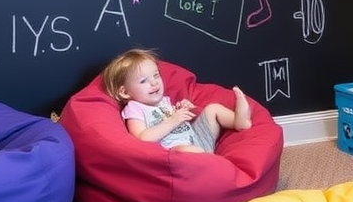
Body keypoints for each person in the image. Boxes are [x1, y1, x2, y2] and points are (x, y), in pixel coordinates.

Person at [102, 48, 251, 153]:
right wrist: (173, 120)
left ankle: (239, 121)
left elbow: (179, 121)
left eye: (156, 75)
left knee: (213, 109)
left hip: (198, 139)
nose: (154, 83)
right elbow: (143, 138)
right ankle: (215, 166)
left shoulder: (164, 101)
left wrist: (182, 110)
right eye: (143, 81)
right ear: (124, 92)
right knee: (186, 151)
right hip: (174, 150)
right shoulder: (134, 108)